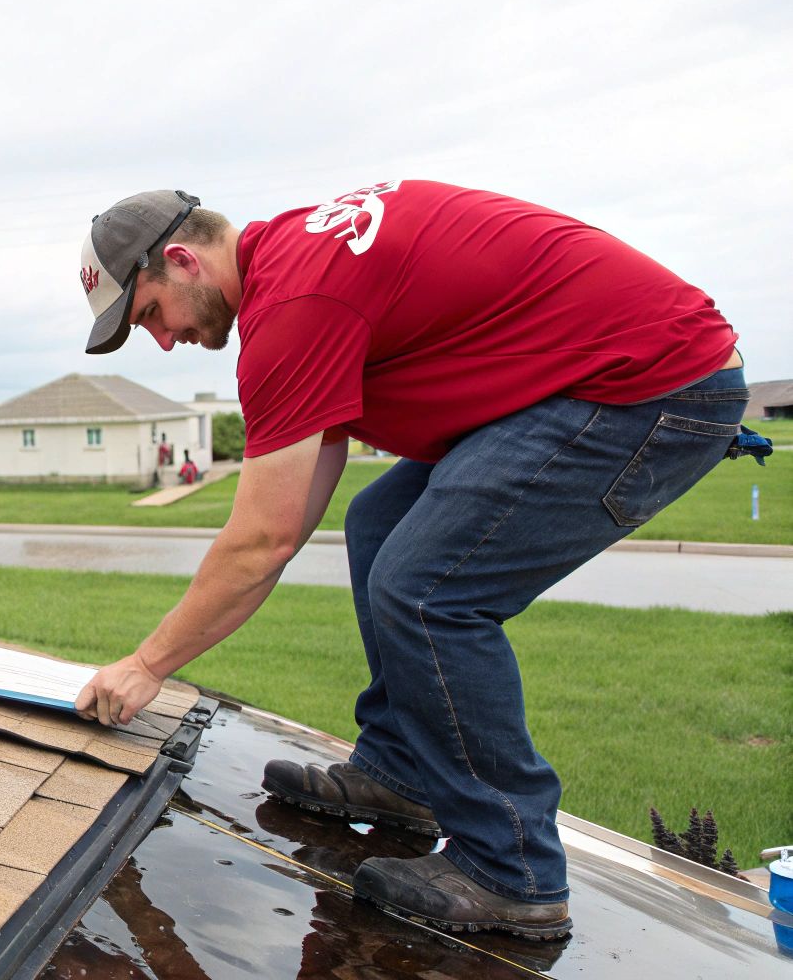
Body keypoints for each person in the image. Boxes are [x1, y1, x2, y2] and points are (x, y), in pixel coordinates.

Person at [71, 180, 752, 940]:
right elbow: (290, 518)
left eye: (151, 316)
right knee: (379, 521)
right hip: (609, 373)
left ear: (180, 260)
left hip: (650, 384)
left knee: (428, 588)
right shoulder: (298, 264)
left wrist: (147, 663)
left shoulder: (297, 307)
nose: (164, 341)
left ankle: (511, 870)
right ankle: (403, 772)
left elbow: (260, 543)